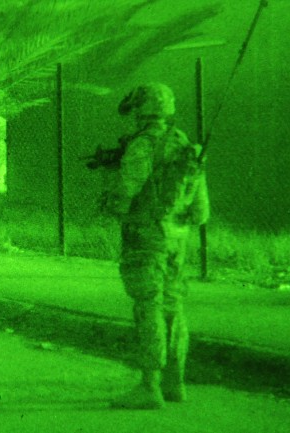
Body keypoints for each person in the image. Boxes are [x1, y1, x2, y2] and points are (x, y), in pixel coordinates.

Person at [104, 83, 210, 409]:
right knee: (173, 306)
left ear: (140, 111)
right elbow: (201, 212)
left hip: (146, 238)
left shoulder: (143, 146)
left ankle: (149, 386)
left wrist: (110, 200)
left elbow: (124, 196)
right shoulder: (186, 147)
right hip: (178, 239)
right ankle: (174, 383)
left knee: (147, 307)